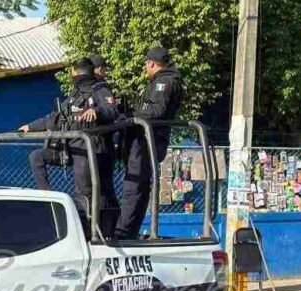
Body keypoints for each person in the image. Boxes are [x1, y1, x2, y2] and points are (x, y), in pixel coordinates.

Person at [20, 58, 119, 238]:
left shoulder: (100, 90)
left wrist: (96, 112)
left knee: (85, 193)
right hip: (67, 148)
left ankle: (91, 233)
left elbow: (112, 111)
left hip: (88, 149)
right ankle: (48, 197)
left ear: (75, 72)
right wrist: (30, 126)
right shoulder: (74, 95)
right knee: (37, 156)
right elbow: (55, 118)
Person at [115, 46, 184, 240]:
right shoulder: (167, 80)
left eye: (146, 64)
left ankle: (123, 232)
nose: (146, 68)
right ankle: (129, 230)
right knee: (140, 187)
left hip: (148, 140)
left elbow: (156, 111)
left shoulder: (163, 83)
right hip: (150, 140)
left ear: (151, 64)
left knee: (134, 185)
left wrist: (130, 117)